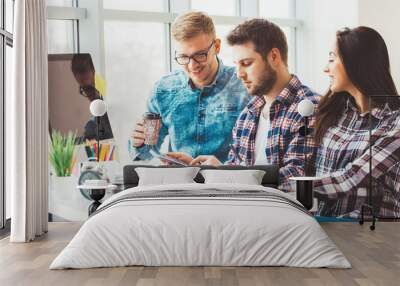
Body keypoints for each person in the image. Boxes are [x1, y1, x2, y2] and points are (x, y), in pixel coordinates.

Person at [167, 19, 320, 191]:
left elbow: (297, 178)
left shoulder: (309, 108)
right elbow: (238, 173)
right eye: (236, 65)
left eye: (246, 63)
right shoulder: (248, 114)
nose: (239, 74)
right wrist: (214, 171)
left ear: (274, 57)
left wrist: (231, 176)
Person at [129, 11, 249, 162]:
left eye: (200, 55)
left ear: (217, 46)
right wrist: (139, 144)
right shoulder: (164, 90)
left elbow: (255, 157)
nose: (192, 65)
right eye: (184, 57)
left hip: (229, 183)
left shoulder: (244, 86)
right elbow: (145, 155)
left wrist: (221, 169)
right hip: (179, 182)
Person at [312, 27, 400, 218]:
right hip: (324, 229)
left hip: (370, 239)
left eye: (331, 59)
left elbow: (352, 178)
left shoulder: (395, 123)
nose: (325, 68)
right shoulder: (336, 112)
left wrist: (289, 189)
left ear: (356, 63)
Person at [71, 54, 114, 141]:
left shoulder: (115, 115)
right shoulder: (92, 124)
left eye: (89, 88)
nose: (88, 96)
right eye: (84, 89)